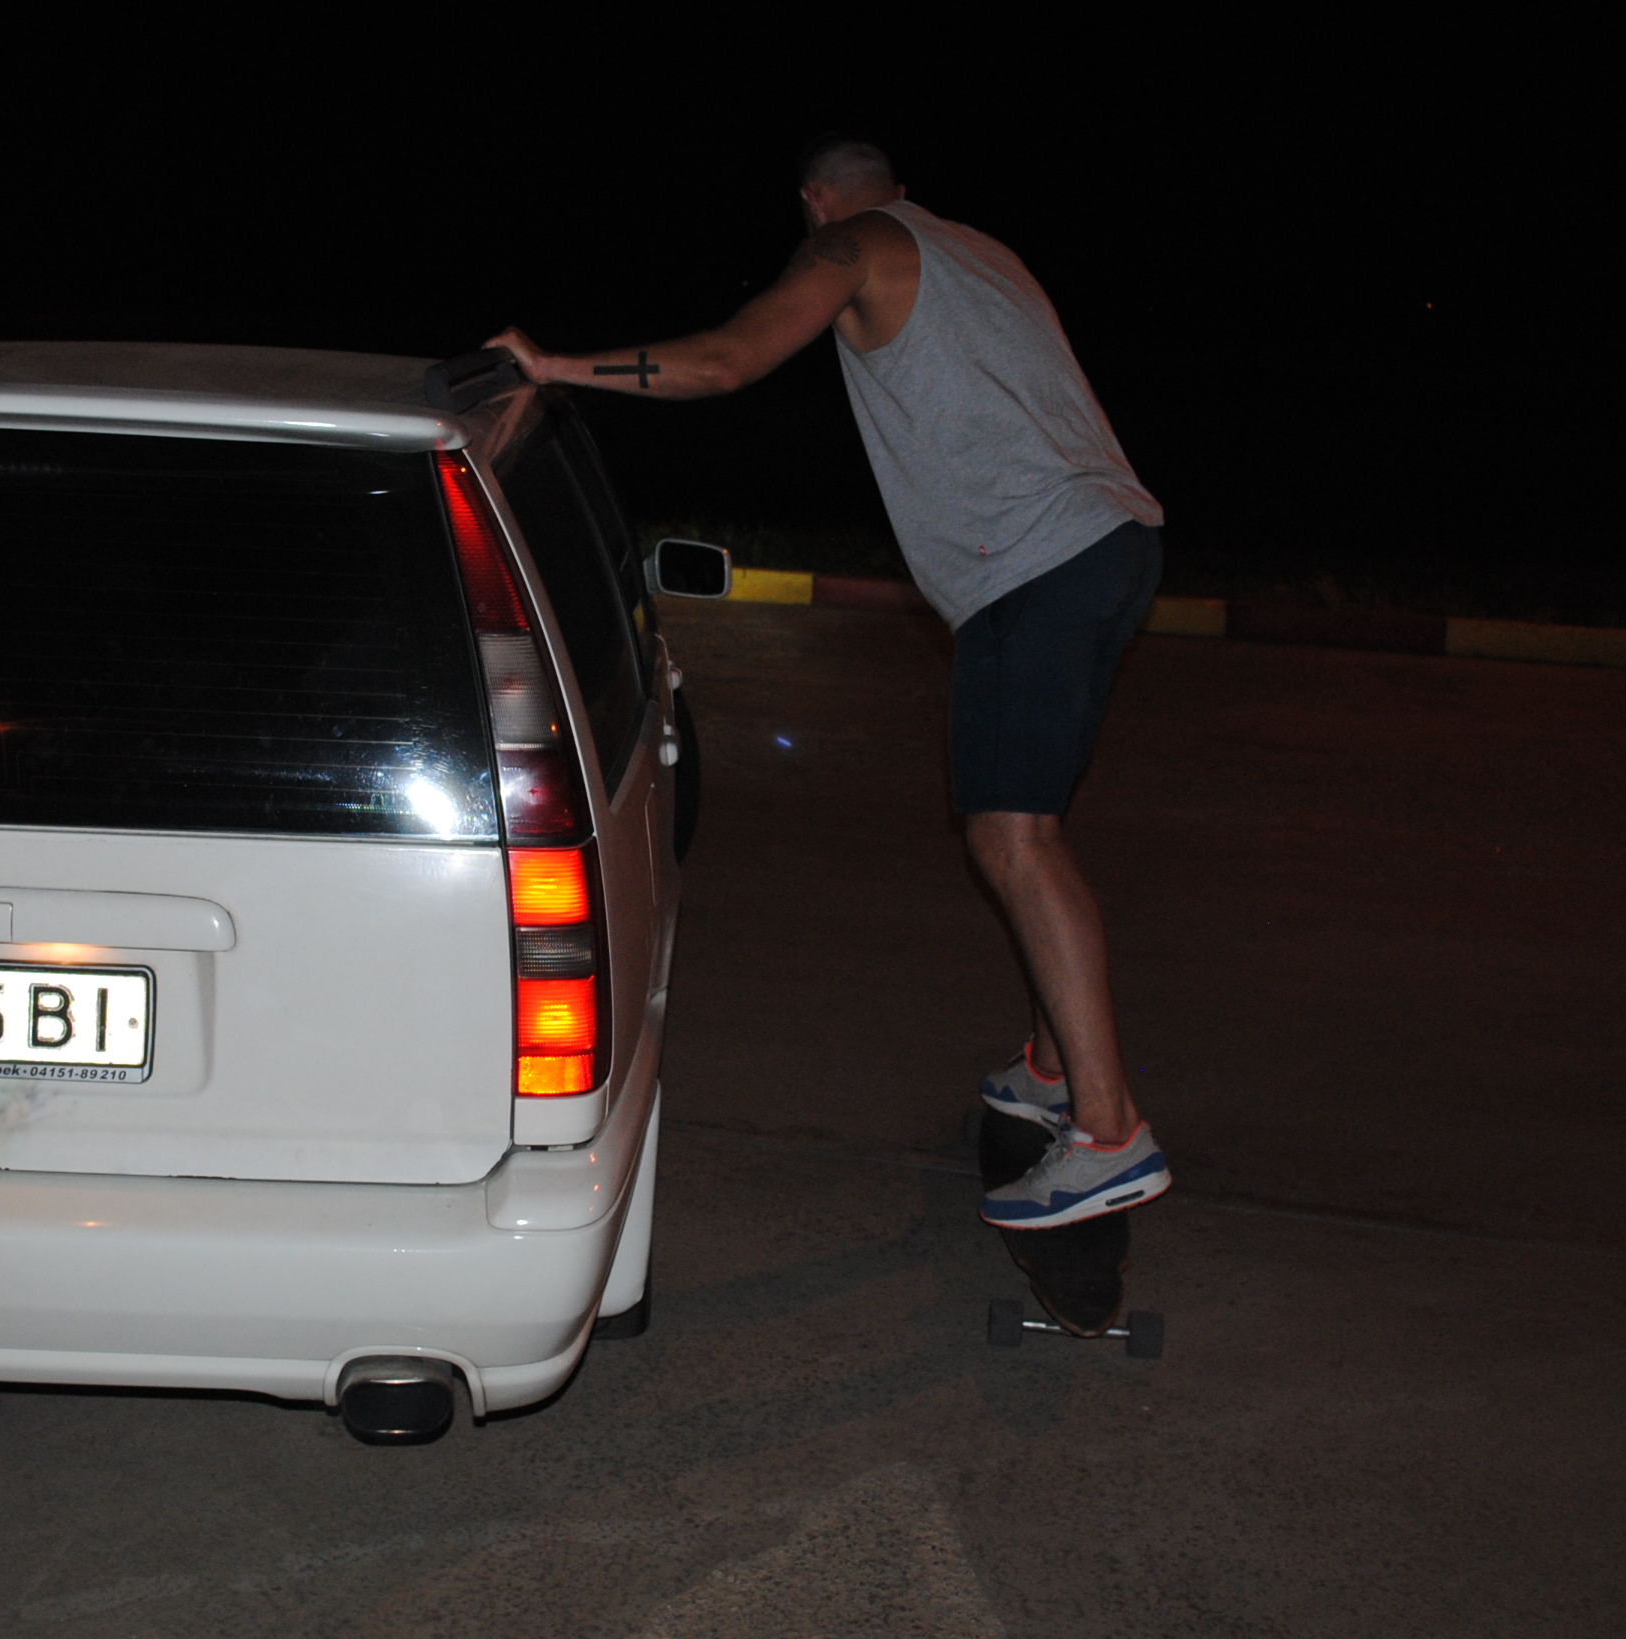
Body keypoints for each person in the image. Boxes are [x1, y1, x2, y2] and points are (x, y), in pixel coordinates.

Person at [485, 137, 1170, 1234]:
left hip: (1032, 562)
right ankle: (1052, 1065)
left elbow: (729, 360)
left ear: (812, 201)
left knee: (1011, 839)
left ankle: (1107, 1133)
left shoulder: (853, 247)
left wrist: (557, 367)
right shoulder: (978, 250)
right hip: (1113, 541)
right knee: (1030, 824)